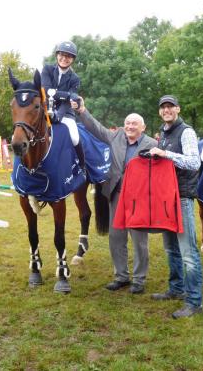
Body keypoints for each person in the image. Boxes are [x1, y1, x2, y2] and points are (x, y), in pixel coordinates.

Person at [72, 98, 157, 294]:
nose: (130, 126)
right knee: (116, 237)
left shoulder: (151, 144)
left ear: (142, 127)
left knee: (139, 241)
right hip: (116, 194)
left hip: (139, 199)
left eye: (134, 123)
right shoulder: (116, 136)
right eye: (127, 123)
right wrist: (83, 110)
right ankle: (121, 276)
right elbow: (97, 128)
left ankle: (139, 279)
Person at [149, 95, 203, 319]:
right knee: (171, 248)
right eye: (163, 107)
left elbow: (194, 162)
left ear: (178, 109)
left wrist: (165, 154)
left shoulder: (186, 132)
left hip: (182, 197)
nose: (167, 110)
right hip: (166, 198)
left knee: (188, 252)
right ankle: (176, 289)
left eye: (170, 107)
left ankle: (193, 302)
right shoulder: (163, 134)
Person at [41, 41, 85, 168]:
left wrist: (58, 116)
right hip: (45, 109)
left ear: (73, 59)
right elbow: (46, 90)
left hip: (66, 113)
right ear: (57, 55)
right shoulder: (47, 69)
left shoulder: (75, 78)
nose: (64, 58)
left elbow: (69, 102)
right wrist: (67, 95)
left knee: (75, 137)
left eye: (69, 56)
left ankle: (82, 166)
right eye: (62, 54)